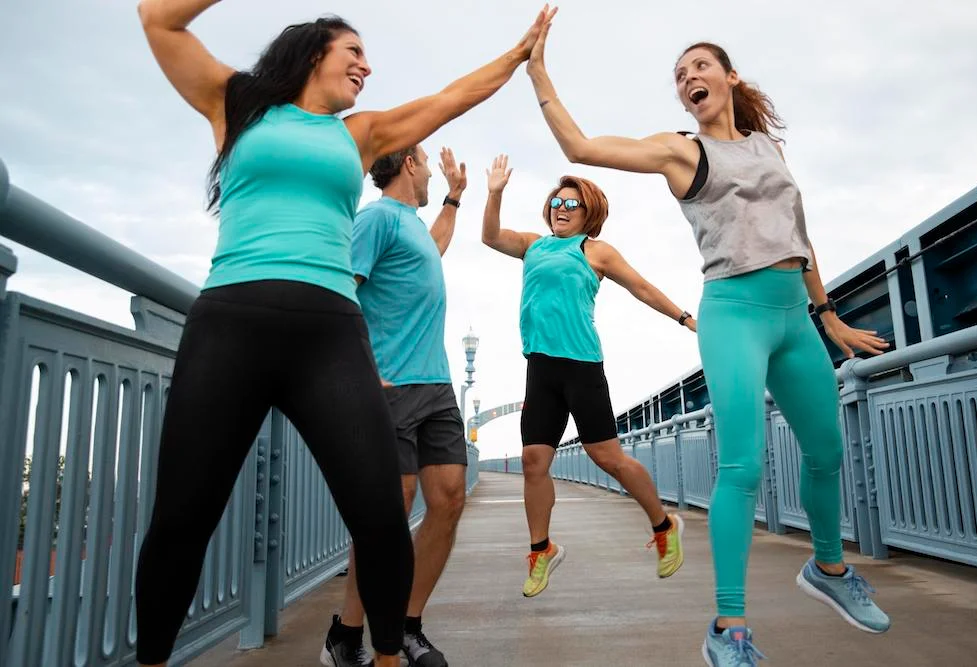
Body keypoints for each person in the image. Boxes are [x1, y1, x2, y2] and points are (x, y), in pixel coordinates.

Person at [133, 2, 557, 666]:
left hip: (329, 336)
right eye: (352, 51)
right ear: (312, 53)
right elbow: (158, 19)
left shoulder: (360, 134)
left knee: (382, 516)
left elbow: (450, 100)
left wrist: (517, 54)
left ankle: (385, 656)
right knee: (182, 518)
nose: (366, 65)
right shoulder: (236, 103)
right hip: (231, 323)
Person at [523, 24, 892, 666]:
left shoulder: (769, 149)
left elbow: (797, 235)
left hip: (792, 318)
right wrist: (538, 74)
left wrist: (827, 314)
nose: (688, 77)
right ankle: (730, 627)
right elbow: (580, 146)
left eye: (699, 66)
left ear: (729, 78)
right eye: (679, 75)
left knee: (828, 452)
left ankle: (830, 571)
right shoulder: (682, 152)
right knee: (744, 465)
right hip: (733, 314)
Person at [481, 153, 695, 599]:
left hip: (581, 367)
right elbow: (489, 237)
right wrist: (495, 193)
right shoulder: (533, 244)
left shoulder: (594, 251)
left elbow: (641, 288)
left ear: (588, 213)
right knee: (533, 462)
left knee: (608, 458)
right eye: (556, 201)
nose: (561, 208)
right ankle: (542, 550)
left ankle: (663, 524)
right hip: (540, 367)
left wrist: (684, 318)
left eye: (571, 204)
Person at [321, 145, 469, 667]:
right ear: (408, 164)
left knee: (449, 499)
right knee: (391, 511)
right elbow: (342, 288)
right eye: (426, 162)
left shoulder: (410, 225)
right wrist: (359, 368)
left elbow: (435, 248)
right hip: (391, 387)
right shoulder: (377, 219)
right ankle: (348, 632)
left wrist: (454, 196)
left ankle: (407, 625)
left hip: (436, 385)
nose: (431, 170)